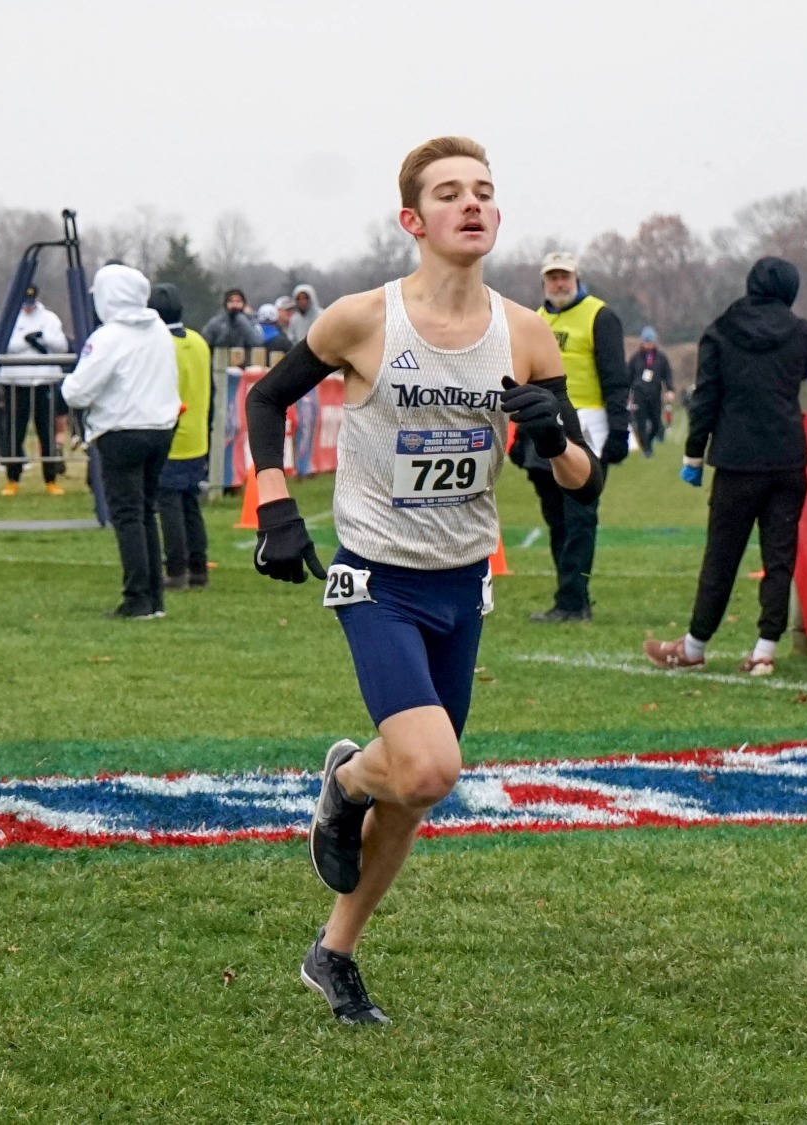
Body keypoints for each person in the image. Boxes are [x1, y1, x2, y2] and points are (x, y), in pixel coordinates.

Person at [247, 136, 601, 1025]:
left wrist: (553, 441)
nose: (472, 204)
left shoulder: (525, 332)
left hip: (462, 580)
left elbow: (582, 477)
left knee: (419, 788)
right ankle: (347, 780)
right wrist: (276, 507)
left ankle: (333, 951)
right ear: (414, 220)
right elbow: (263, 401)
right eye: (450, 194)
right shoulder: (362, 319)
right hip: (377, 576)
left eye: (484, 191)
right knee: (430, 762)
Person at [643, 258, 807, 676]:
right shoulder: (801, 332)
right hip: (787, 457)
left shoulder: (722, 330)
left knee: (721, 556)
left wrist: (694, 454)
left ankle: (695, 645)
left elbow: (706, 398)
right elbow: (804, 374)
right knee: (779, 557)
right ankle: (765, 650)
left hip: (737, 460)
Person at [62, 264, 179, 618]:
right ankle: (154, 597)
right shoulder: (158, 328)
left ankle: (137, 598)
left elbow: (77, 391)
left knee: (127, 515)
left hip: (121, 431)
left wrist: (68, 385)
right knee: (145, 512)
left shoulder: (108, 336)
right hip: (160, 427)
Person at [527, 250, 629, 622]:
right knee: (556, 518)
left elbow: (617, 379)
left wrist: (619, 429)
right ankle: (570, 596)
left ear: (576, 277)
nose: (559, 283)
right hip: (543, 427)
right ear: (544, 281)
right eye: (553, 277)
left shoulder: (600, 316)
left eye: (565, 276)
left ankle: (574, 599)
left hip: (589, 427)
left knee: (580, 516)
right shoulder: (533, 320)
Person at [149, 283, 213, 591]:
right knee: (191, 503)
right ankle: (199, 567)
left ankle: (175, 570)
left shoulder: (160, 345)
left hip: (171, 434)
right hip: (197, 435)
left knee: (169, 504)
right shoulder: (199, 342)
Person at [0, 284, 68, 496]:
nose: (27, 308)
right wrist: (25, 341)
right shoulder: (10, 317)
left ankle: (50, 479)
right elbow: (3, 344)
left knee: (46, 432)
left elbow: (61, 346)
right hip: (16, 383)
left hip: (43, 382)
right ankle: (13, 479)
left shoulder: (50, 318)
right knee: (14, 433)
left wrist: (42, 338)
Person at [626, 325, 674, 456]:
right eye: (646, 341)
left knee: (656, 423)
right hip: (639, 394)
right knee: (640, 423)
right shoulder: (635, 358)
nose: (649, 344)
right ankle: (646, 449)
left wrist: (670, 389)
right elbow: (628, 377)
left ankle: (649, 441)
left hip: (655, 393)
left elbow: (667, 374)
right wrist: (626, 394)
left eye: (651, 341)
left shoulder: (661, 358)